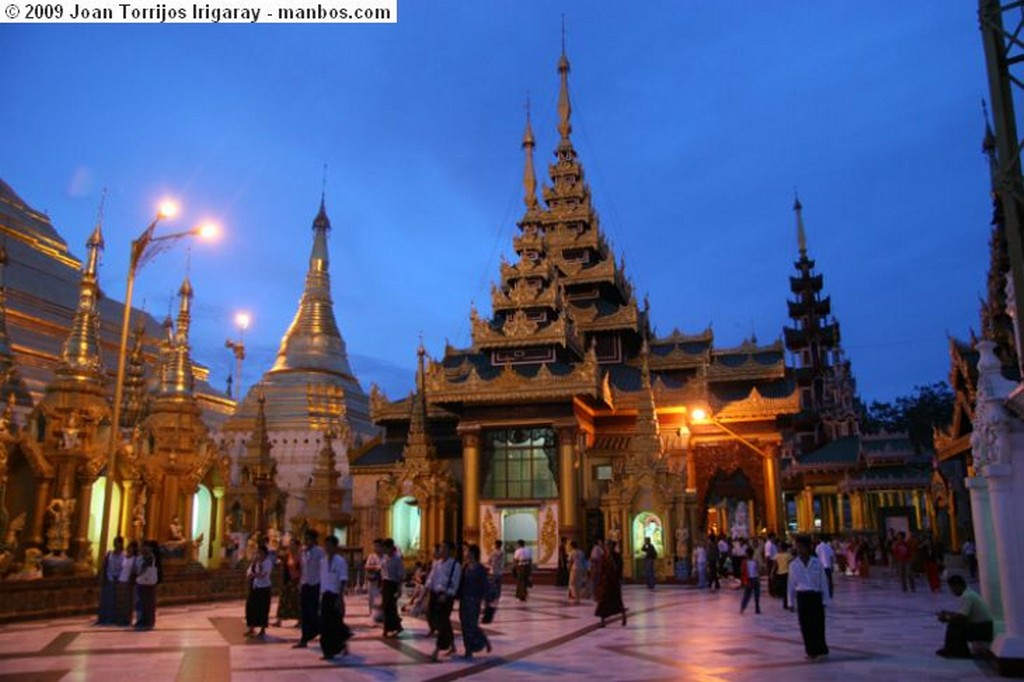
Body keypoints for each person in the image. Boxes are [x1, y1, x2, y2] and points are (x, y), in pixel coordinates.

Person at [788, 535, 830, 659]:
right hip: (802, 596)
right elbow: (791, 584)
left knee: (818, 624)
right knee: (805, 625)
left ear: (808, 547)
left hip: (815, 595)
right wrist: (791, 602)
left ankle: (821, 650)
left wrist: (825, 599)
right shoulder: (794, 565)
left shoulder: (817, 563)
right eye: (797, 547)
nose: (799, 550)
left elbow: (823, 582)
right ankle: (811, 651)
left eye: (801, 547)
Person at [936, 574, 994, 658]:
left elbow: (961, 618)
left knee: (954, 625)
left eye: (953, 589)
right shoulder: (969, 593)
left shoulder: (967, 596)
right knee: (954, 623)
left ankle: (956, 651)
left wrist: (946, 618)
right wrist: (948, 614)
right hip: (984, 627)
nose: (952, 592)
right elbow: (962, 614)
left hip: (983, 629)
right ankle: (952, 650)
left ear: (959, 586)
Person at [425, 541, 461, 662]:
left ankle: (437, 649)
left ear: (451, 551)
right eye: (440, 548)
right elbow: (431, 579)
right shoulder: (436, 564)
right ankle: (452, 645)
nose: (441, 550)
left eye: (444, 548)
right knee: (441, 621)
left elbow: (455, 583)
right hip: (435, 595)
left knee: (442, 622)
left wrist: (447, 594)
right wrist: (423, 595)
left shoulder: (455, 565)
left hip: (446, 597)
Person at [319, 535, 352, 659]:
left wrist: (340, 597)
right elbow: (322, 579)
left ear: (335, 546)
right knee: (324, 624)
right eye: (325, 545)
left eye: (329, 545)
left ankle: (332, 649)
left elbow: (343, 579)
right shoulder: (322, 561)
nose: (327, 548)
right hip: (325, 594)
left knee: (334, 622)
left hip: (335, 594)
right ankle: (330, 648)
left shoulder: (340, 561)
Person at [459, 543, 492, 659]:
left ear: (472, 553)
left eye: (466, 551)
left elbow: (485, 585)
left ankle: (483, 640)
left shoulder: (479, 568)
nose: (464, 553)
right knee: (464, 625)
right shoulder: (465, 567)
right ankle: (468, 650)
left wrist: (487, 601)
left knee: (472, 625)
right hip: (464, 599)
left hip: (474, 600)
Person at [294, 529, 324, 649]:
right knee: (304, 612)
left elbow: (323, 569)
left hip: (316, 585)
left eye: (307, 538)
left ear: (313, 539)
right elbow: (303, 568)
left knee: (314, 612)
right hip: (305, 584)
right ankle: (304, 638)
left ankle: (323, 632)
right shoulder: (303, 552)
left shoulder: (320, 552)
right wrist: (300, 583)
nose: (305, 541)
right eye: (304, 538)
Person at [595, 539, 627, 627]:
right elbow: (602, 569)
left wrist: (618, 578)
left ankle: (624, 616)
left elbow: (619, 568)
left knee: (617, 600)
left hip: (614, 582)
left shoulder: (616, 556)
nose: (607, 548)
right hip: (606, 582)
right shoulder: (604, 556)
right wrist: (600, 580)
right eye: (606, 546)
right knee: (603, 601)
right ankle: (603, 621)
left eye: (608, 546)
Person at [245, 543, 274, 638]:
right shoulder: (255, 562)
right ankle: (251, 627)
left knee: (263, 608)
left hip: (264, 588)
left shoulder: (268, 562)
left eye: (261, 553)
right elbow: (249, 573)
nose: (259, 555)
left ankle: (262, 628)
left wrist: (255, 573)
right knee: (251, 607)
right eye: (258, 553)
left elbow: (262, 575)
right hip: (255, 587)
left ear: (265, 554)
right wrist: (252, 574)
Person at [96, 536, 124, 625]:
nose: (115, 544)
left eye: (117, 542)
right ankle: (105, 617)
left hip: (119, 579)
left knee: (116, 600)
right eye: (114, 542)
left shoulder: (124, 555)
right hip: (109, 578)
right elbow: (105, 565)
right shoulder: (109, 554)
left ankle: (115, 617)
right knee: (107, 599)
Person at [381, 538, 405, 638]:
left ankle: (393, 627)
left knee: (390, 606)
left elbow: (400, 574)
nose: (384, 550)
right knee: (386, 606)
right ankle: (390, 627)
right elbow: (382, 570)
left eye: (385, 548)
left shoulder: (397, 559)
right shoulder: (385, 557)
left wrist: (399, 588)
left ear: (390, 547)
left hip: (393, 584)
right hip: (385, 583)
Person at [134, 540, 161, 630]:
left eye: (143, 546)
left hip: (147, 582)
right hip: (142, 582)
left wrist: (137, 575)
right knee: (141, 603)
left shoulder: (150, 557)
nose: (141, 548)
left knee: (147, 603)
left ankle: (147, 621)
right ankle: (141, 620)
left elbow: (143, 568)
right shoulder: (141, 557)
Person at [275, 537, 302, 627]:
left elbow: (302, 569)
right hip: (288, 580)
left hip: (297, 580)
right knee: (283, 599)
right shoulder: (287, 555)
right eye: (291, 545)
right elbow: (284, 567)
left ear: (297, 547)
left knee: (296, 600)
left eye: (293, 545)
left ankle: (299, 620)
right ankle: (279, 620)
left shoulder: (300, 556)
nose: (291, 547)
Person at [114, 540, 137, 626]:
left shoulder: (135, 559)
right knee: (120, 601)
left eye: (131, 547)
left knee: (128, 602)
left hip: (128, 582)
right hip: (121, 580)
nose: (129, 549)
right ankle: (119, 618)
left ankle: (127, 619)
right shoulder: (124, 557)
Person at [483, 539, 504, 623]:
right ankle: (497, 597)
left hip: (493, 571)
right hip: (500, 571)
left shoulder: (493, 552)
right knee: (498, 585)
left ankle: (493, 597)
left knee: (492, 585)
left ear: (496, 545)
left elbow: (489, 561)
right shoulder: (502, 552)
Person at [365, 538, 384, 622]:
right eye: (375, 546)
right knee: (371, 598)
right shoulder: (371, 556)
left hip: (382, 581)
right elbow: (367, 566)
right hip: (373, 580)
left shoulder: (385, 557)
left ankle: (380, 615)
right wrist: (376, 567)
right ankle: (372, 615)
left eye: (378, 546)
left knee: (381, 598)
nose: (376, 548)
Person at [740, 546, 761, 615]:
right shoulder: (755, 562)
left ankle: (743, 608)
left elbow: (742, 572)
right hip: (755, 579)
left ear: (747, 554)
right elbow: (758, 570)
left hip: (749, 579)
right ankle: (757, 607)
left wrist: (744, 581)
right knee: (756, 594)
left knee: (747, 595)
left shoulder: (744, 562)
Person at [774, 541, 793, 610]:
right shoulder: (789, 555)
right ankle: (787, 603)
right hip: (787, 573)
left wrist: (772, 573)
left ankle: (785, 603)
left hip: (780, 573)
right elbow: (791, 565)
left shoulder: (777, 555)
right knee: (787, 589)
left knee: (784, 589)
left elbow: (775, 566)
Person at [567, 540, 587, 604]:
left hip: (574, 569)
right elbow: (584, 561)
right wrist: (585, 570)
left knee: (572, 583)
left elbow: (570, 562)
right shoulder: (581, 552)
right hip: (581, 568)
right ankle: (578, 597)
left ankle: (575, 597)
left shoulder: (572, 552)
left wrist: (569, 568)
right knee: (578, 583)